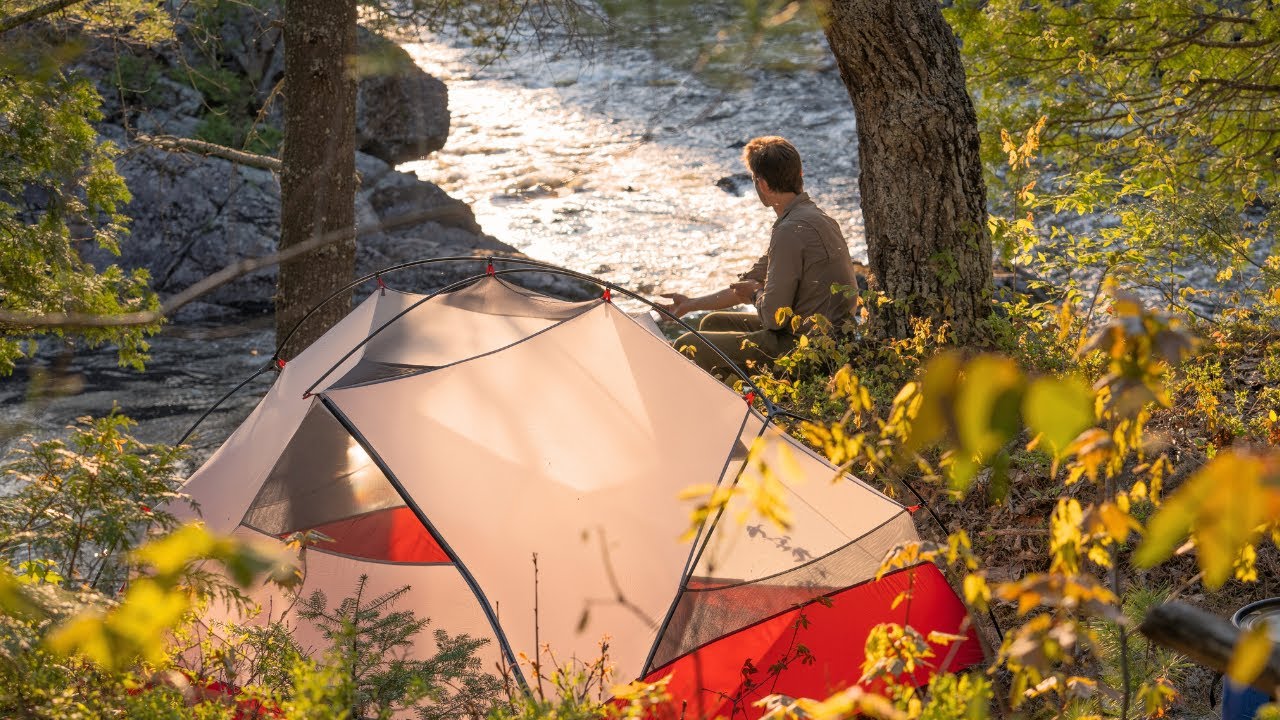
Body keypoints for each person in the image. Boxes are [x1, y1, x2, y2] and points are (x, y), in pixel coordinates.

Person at [658, 136, 859, 378]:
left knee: (687, 345)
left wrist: (755, 293)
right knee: (712, 322)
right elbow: (747, 284)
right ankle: (738, 400)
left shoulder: (789, 232)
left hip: (809, 353)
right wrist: (691, 304)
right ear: (800, 173)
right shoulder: (814, 218)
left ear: (761, 184)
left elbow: (773, 317)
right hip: (827, 342)